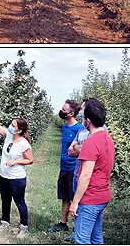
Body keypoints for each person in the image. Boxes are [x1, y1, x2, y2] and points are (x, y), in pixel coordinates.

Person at [0, 106, 34, 239]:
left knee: (19, 201)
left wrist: (15, 161)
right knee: (5, 199)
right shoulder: (9, 135)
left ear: (19, 130)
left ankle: (24, 227)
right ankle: (5, 222)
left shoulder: (24, 144)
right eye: (11, 123)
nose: (10, 126)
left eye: (13, 125)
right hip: (3, 175)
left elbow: (30, 160)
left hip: (17, 178)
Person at [69, 98, 115, 244]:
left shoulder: (91, 142)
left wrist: (75, 202)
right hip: (102, 196)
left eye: (83, 117)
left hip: (90, 198)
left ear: (87, 121)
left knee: (82, 240)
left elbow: (86, 175)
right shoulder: (108, 138)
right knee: (96, 238)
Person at [48, 99, 83, 234]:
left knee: (75, 198)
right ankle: (63, 223)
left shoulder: (79, 129)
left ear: (71, 113)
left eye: (64, 109)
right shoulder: (65, 127)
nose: (61, 111)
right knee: (65, 197)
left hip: (73, 169)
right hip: (63, 168)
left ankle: (77, 228)